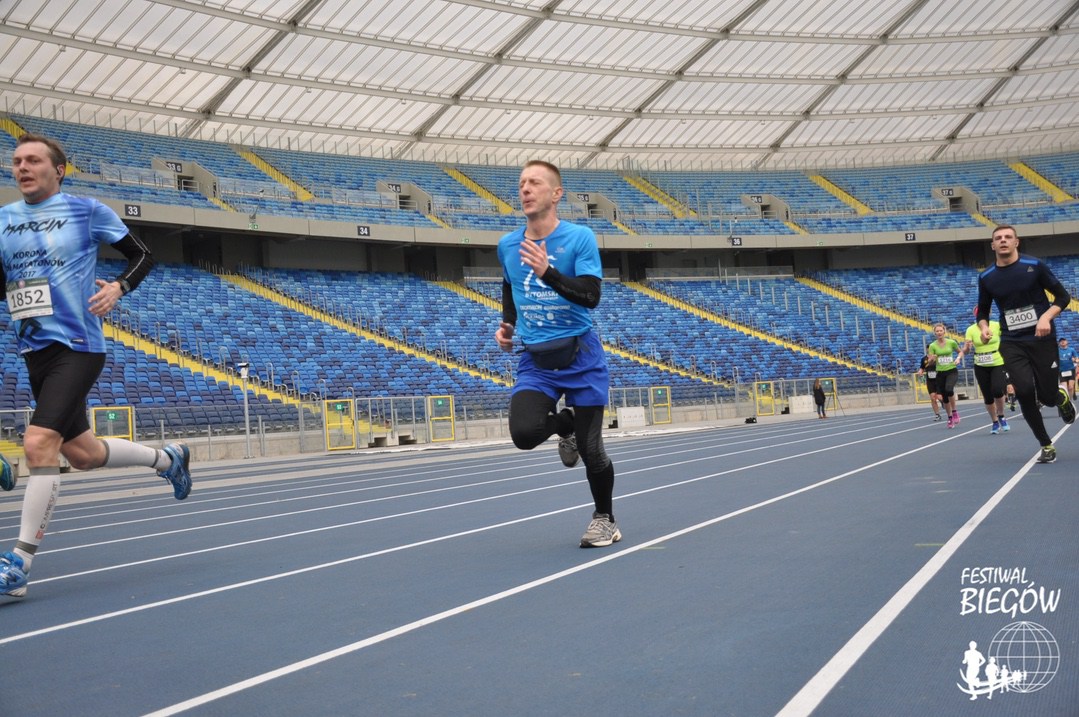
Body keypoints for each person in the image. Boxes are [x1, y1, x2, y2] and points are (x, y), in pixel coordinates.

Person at [0, 133, 192, 599]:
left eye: (33, 160)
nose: (22, 167)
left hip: (78, 345)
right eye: (17, 161)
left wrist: (119, 288)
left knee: (38, 443)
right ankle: (168, 459)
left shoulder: (87, 211)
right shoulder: (4, 219)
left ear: (58, 170)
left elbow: (143, 254)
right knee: (82, 455)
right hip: (33, 350)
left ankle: (20, 563)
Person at [495, 159, 619, 548]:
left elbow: (591, 296)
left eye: (535, 182)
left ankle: (605, 519)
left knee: (592, 450)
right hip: (536, 359)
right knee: (524, 434)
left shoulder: (579, 237)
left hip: (580, 354)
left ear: (556, 193)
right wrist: (507, 324)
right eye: (522, 183)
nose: (525, 189)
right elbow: (509, 285)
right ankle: (567, 424)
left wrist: (547, 272)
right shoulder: (508, 245)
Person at [976, 225, 1075, 464]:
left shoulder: (1034, 266)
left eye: (1008, 237)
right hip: (1012, 341)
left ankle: (1060, 397)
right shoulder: (986, 277)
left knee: (1047, 397)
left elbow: (1063, 297)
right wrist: (984, 327)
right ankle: (1046, 444)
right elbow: (983, 311)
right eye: (998, 238)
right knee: (1024, 392)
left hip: (1041, 338)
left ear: (1016, 242)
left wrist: (1046, 317)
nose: (1003, 240)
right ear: (992, 245)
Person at [963, 307, 1009, 435]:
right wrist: (967, 348)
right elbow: (966, 351)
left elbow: (1006, 338)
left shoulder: (996, 325)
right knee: (987, 396)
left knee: (998, 390)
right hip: (980, 364)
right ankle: (994, 421)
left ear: (988, 313)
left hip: (997, 361)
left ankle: (1001, 415)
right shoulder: (971, 329)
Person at [926, 323, 965, 428]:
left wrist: (958, 359)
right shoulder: (932, 346)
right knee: (945, 398)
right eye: (937, 331)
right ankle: (950, 417)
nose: (939, 333)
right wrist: (932, 359)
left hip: (951, 370)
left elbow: (960, 352)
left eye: (941, 330)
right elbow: (929, 361)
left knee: (949, 389)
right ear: (934, 333)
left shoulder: (951, 342)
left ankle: (954, 411)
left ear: (944, 331)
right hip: (940, 373)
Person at [916, 342, 943, 421]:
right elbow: (922, 367)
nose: (929, 350)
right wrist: (920, 371)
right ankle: (937, 415)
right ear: (927, 349)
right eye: (928, 348)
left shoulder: (938, 357)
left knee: (939, 397)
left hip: (939, 379)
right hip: (930, 380)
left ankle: (943, 402)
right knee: (933, 398)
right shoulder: (924, 359)